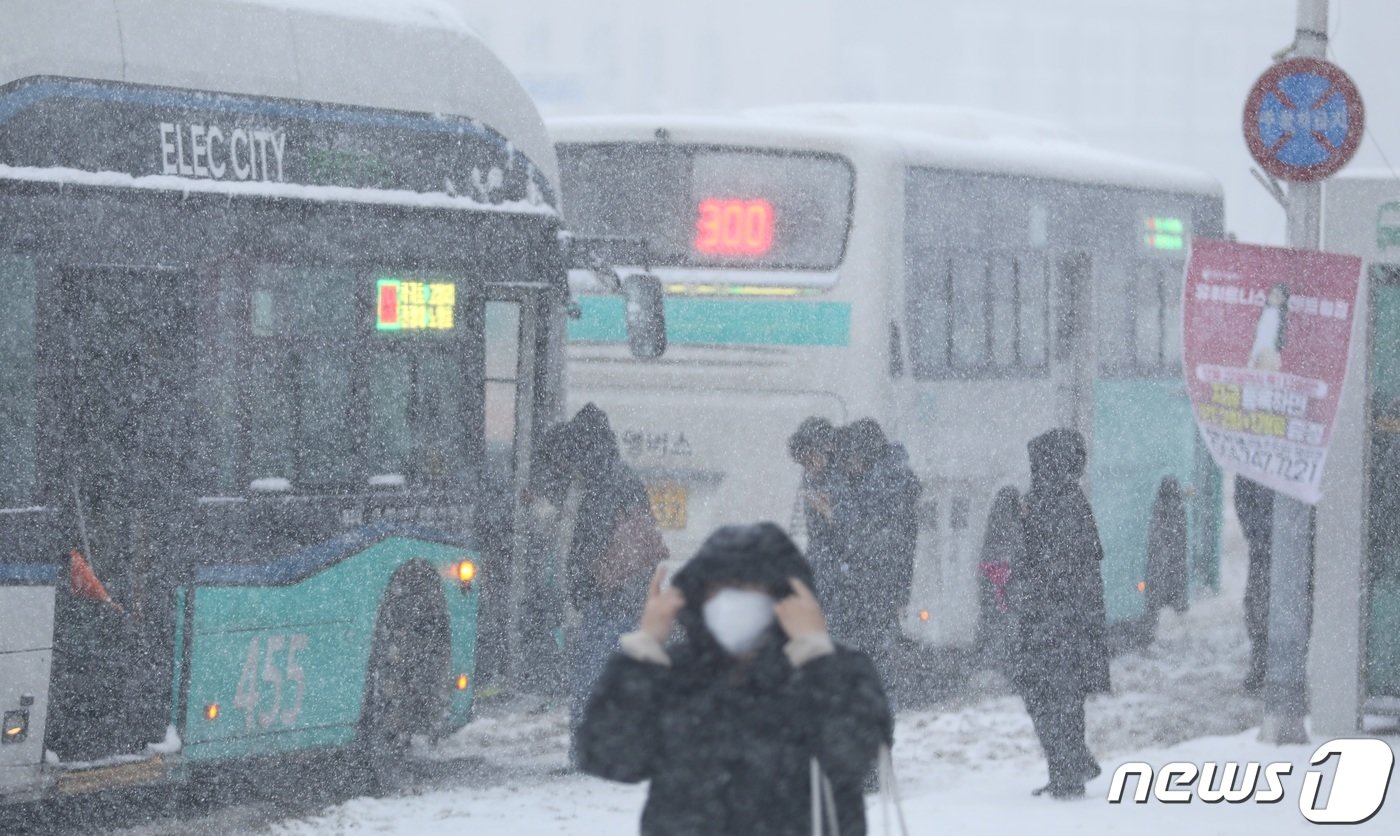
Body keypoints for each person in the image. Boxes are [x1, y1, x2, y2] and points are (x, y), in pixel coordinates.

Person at [575, 523, 892, 836]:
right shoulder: (675, 672)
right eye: (718, 587)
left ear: (787, 593)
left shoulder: (836, 667)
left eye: (749, 586)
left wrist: (814, 655)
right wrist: (643, 648)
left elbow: (854, 758)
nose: (731, 600)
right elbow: (609, 757)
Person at [549, 404, 668, 747]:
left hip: (611, 598)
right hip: (623, 597)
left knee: (594, 675)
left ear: (585, 449)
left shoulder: (607, 483)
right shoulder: (616, 477)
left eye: (572, 456)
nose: (570, 467)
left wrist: (584, 585)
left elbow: (599, 546)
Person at [1012, 428, 1109, 800]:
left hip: (1059, 623)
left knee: (1057, 697)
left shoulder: (1061, 503)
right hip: (1056, 622)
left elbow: (1056, 568)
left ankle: (1068, 772)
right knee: (1051, 696)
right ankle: (1070, 765)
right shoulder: (1056, 500)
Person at [831, 419, 920, 677]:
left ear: (867, 455)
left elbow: (874, 534)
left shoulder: (885, 484)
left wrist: (836, 515)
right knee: (876, 640)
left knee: (876, 639)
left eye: (851, 460)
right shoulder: (888, 477)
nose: (848, 469)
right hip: (881, 579)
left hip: (881, 578)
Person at [787, 417, 844, 625]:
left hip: (846, 574)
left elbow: (854, 531)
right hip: (825, 568)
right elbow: (816, 537)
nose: (809, 467)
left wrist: (832, 514)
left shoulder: (844, 477)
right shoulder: (811, 478)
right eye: (804, 463)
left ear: (827, 449)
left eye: (811, 459)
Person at [976, 486, 1023, 674]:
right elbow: (1016, 551)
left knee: (994, 623)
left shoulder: (993, 525)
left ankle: (993, 663)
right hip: (1005, 583)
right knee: (1007, 625)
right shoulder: (1013, 524)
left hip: (992, 583)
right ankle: (1007, 665)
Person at [1248, 283, 1289, 372]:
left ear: (1283, 299)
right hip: (1258, 346)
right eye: (1272, 294)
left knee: (1264, 373)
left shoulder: (1280, 316)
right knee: (1251, 372)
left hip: (1269, 350)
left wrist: (1273, 351)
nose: (1273, 297)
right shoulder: (1265, 311)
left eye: (1277, 295)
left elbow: (1277, 336)